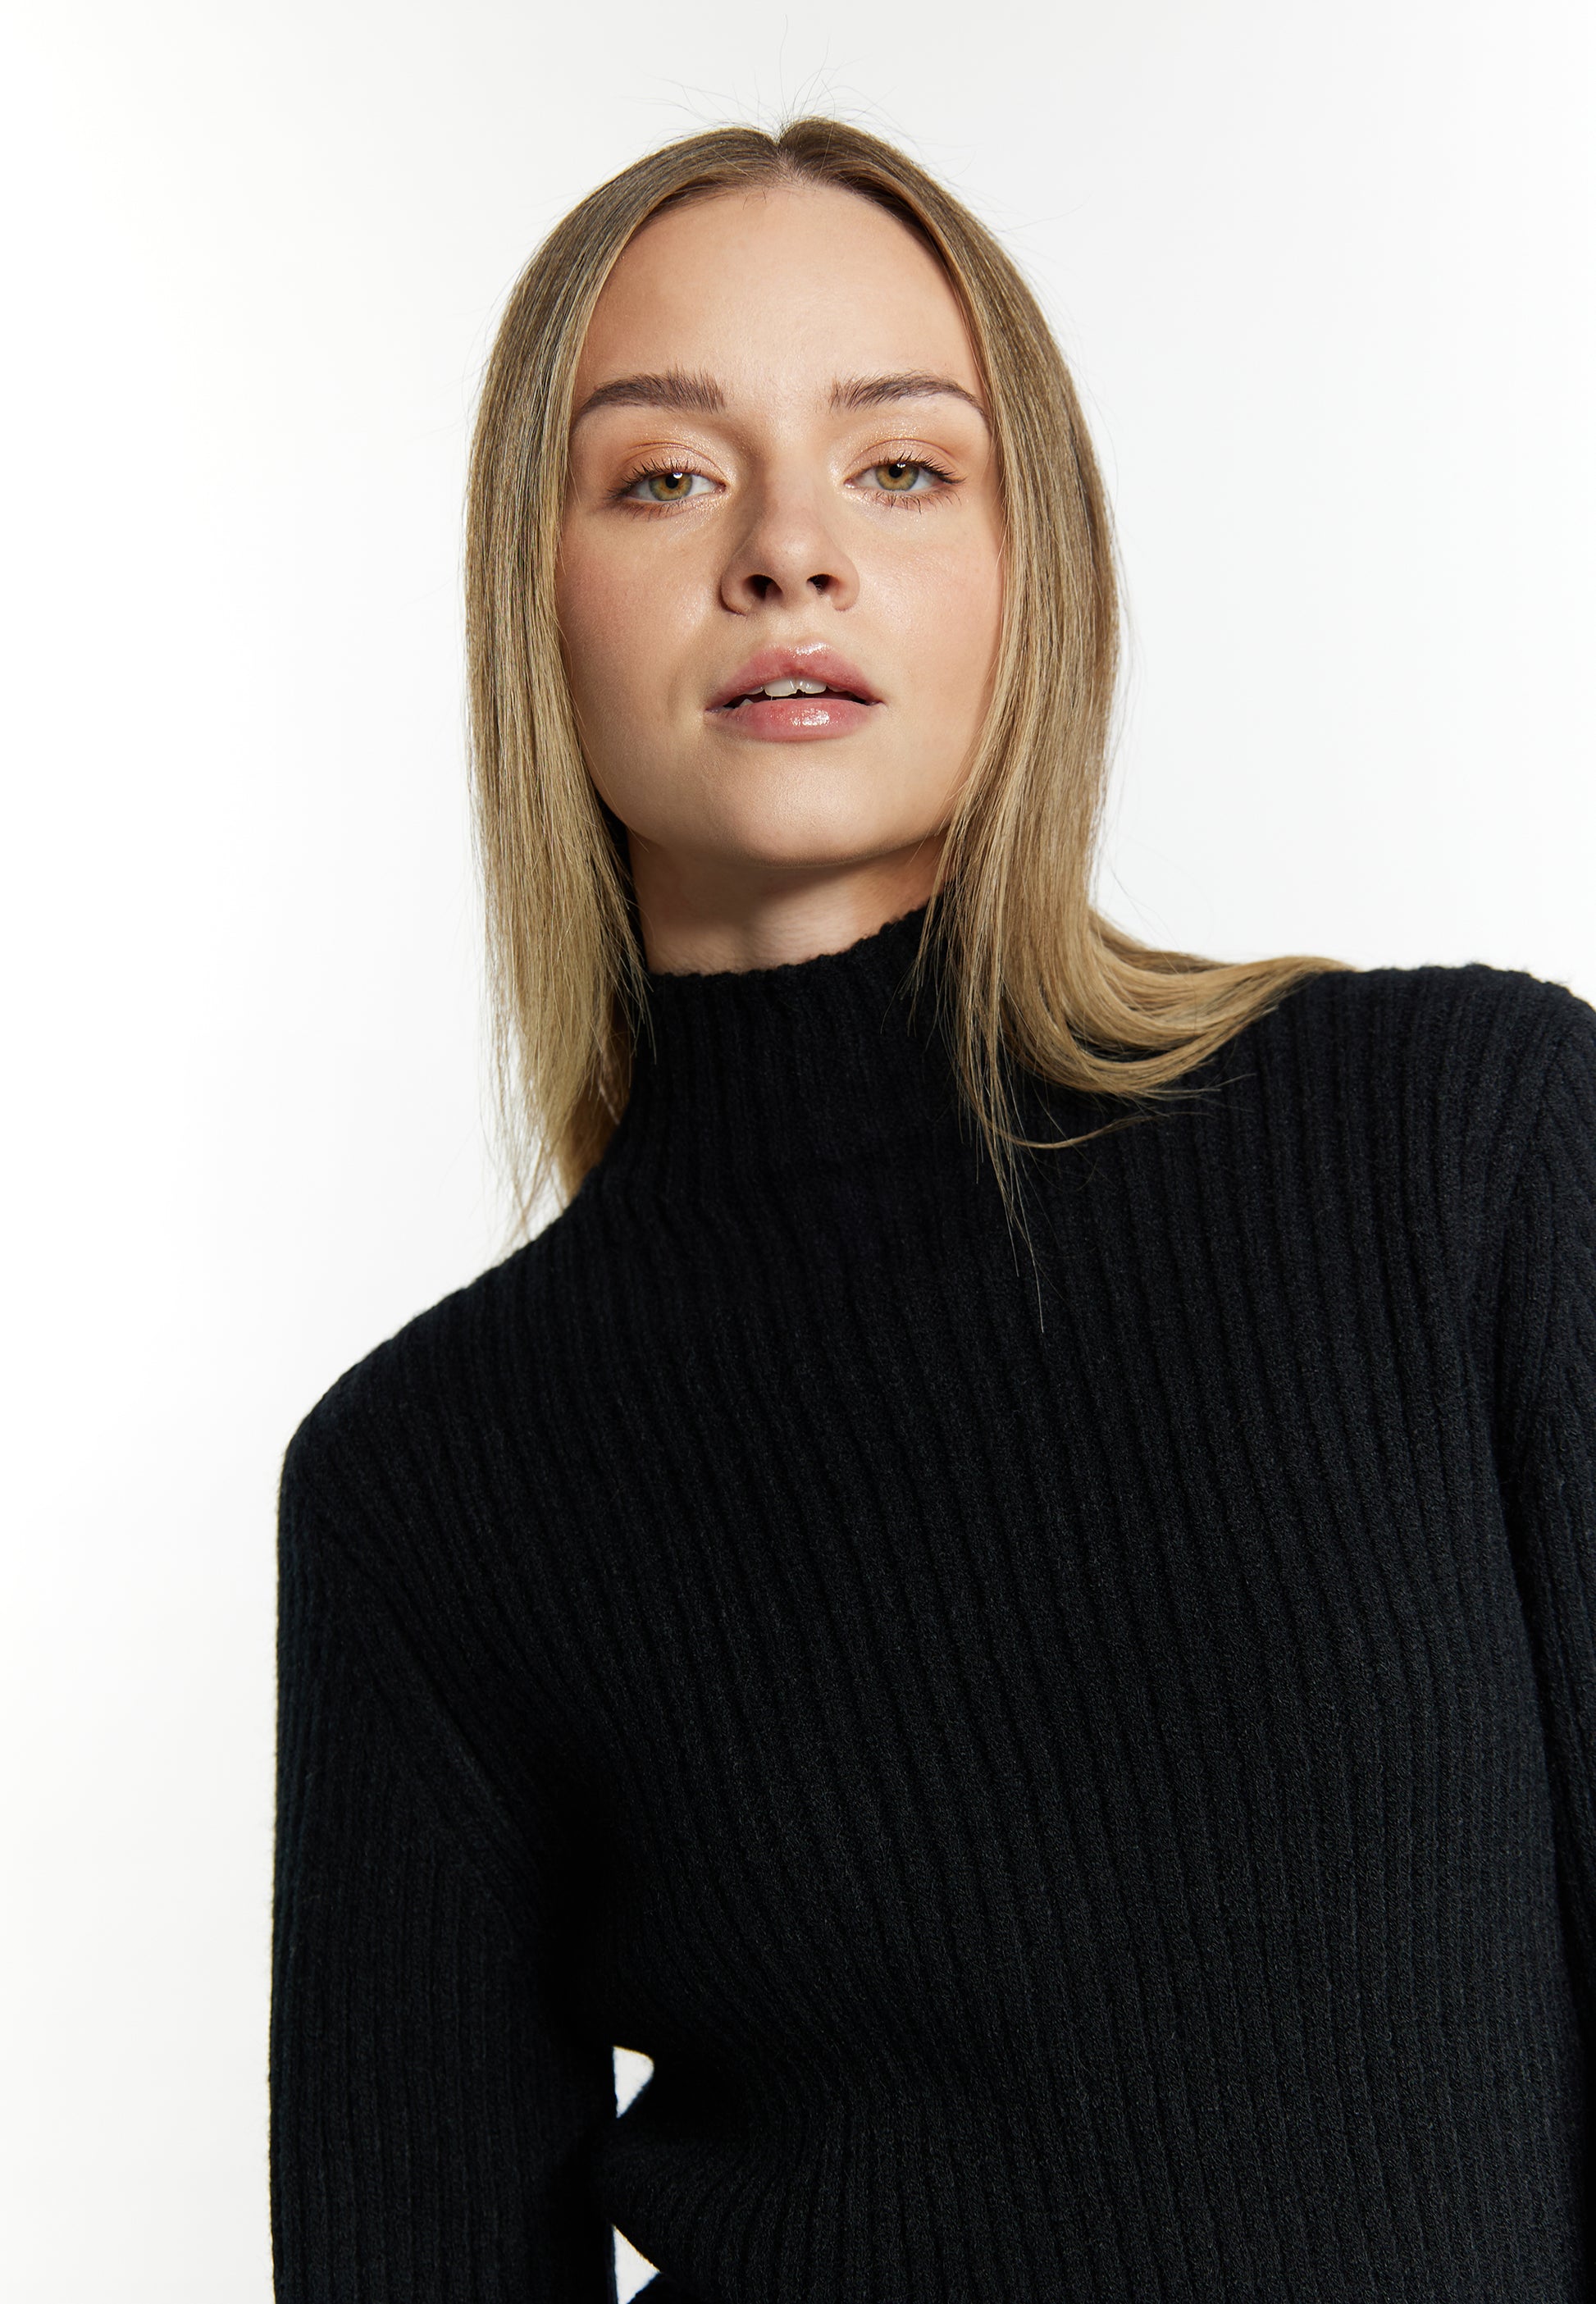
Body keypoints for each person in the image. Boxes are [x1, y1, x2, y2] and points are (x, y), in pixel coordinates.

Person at [269, 117, 1596, 2302]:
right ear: (534, 599)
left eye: (899, 467)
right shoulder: (434, 1480)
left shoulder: (1461, 1146)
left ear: (1031, 564)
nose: (787, 555)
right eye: (663, 477)